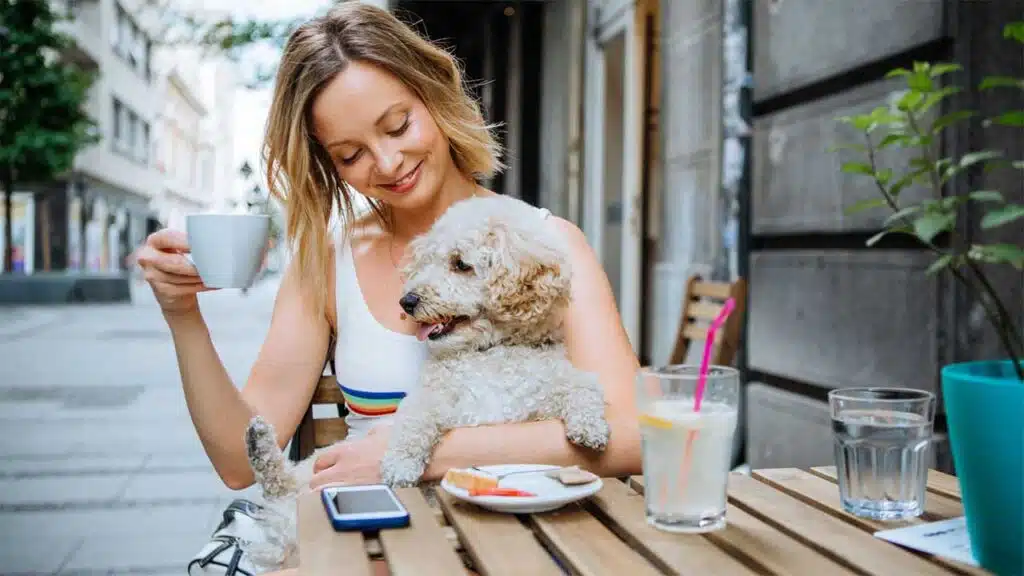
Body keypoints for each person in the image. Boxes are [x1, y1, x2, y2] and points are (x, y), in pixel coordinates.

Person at [136, 3, 641, 574]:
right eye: (350, 155)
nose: (388, 161)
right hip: (374, 550)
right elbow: (239, 462)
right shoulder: (327, 261)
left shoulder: (550, 244)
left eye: (398, 125)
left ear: (435, 95)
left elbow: (629, 436)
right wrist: (182, 313)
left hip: (526, 552)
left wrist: (421, 453)